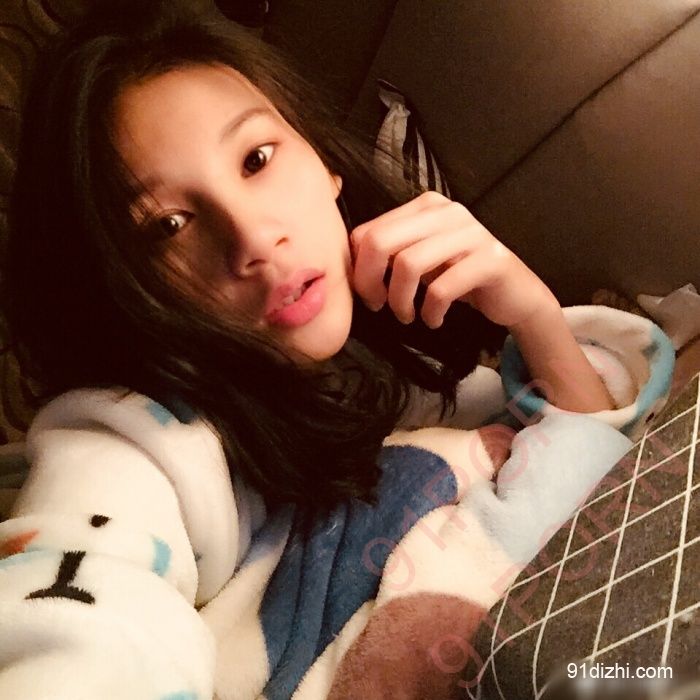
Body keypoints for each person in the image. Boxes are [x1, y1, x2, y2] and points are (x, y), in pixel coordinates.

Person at [0, 2, 674, 698]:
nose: (255, 239)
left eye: (256, 159)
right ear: (118, 288)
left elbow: (607, 485)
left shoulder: (401, 351)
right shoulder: (134, 443)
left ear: (323, 163)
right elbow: (78, 607)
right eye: (169, 225)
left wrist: (532, 313)